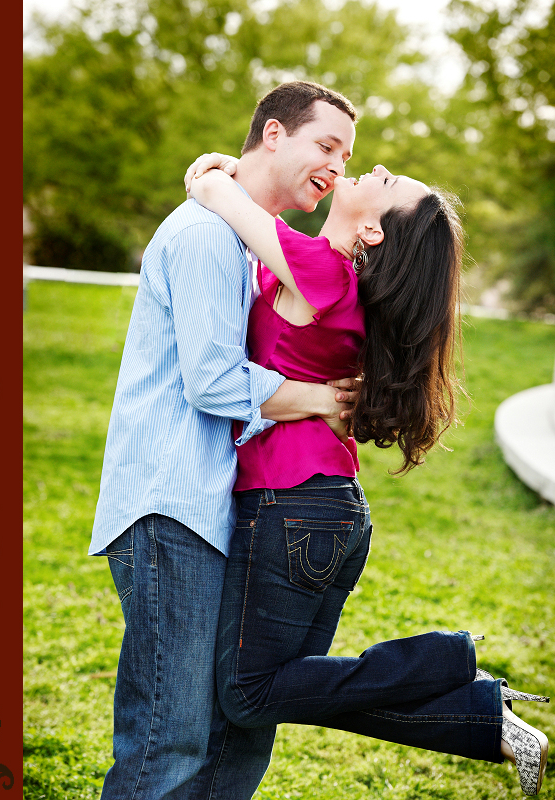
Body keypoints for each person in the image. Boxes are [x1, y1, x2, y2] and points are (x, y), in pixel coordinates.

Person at [185, 159, 550, 795]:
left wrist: (212, 176)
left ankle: (450, 661)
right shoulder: (333, 280)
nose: (375, 167)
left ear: (374, 233)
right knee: (285, 690)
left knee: (248, 692)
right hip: (322, 512)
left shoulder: (324, 268)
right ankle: (479, 719)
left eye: (388, 182)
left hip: (291, 505)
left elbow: (227, 201)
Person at [90, 81, 366, 800]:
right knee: (168, 739)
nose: (337, 167)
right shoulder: (207, 235)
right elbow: (212, 380)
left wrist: (214, 180)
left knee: (208, 730)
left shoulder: (237, 234)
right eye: (325, 146)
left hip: (200, 508)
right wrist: (320, 401)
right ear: (273, 135)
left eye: (347, 156)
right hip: (169, 508)